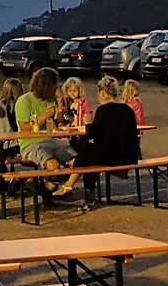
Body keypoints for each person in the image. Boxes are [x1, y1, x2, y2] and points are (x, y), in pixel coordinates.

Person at [72, 75, 142, 208]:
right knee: (88, 156)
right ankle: (73, 187)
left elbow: (93, 133)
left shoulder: (103, 110)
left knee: (86, 157)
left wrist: (87, 125)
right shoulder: (127, 109)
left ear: (103, 93)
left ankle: (81, 194)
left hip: (111, 157)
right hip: (129, 156)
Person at [14, 67, 79, 196]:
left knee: (77, 161)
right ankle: (41, 184)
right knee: (53, 166)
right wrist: (42, 117)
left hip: (51, 140)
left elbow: (57, 121)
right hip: (31, 143)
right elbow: (24, 128)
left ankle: (53, 186)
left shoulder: (50, 100)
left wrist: (61, 107)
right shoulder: (24, 101)